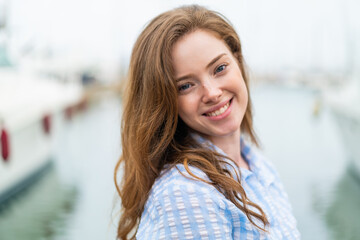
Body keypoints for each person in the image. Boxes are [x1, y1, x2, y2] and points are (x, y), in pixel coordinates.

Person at [114, 5, 300, 240]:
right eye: (185, 85)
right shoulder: (185, 193)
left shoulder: (259, 166)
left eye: (219, 68)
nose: (212, 93)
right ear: (164, 102)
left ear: (238, 62)